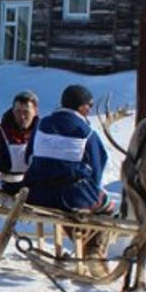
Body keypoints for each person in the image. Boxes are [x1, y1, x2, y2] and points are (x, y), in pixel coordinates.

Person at [22, 83, 114, 213]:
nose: (90, 110)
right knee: (104, 202)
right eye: (90, 105)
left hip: (35, 194)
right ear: (82, 107)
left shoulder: (41, 125)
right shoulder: (87, 133)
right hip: (71, 197)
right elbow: (98, 165)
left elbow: (28, 157)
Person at [0, 90, 39, 194]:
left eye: (26, 112)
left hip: (35, 184)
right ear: (12, 111)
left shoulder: (42, 132)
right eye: (18, 111)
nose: (22, 117)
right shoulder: (0, 132)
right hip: (8, 184)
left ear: (35, 111)